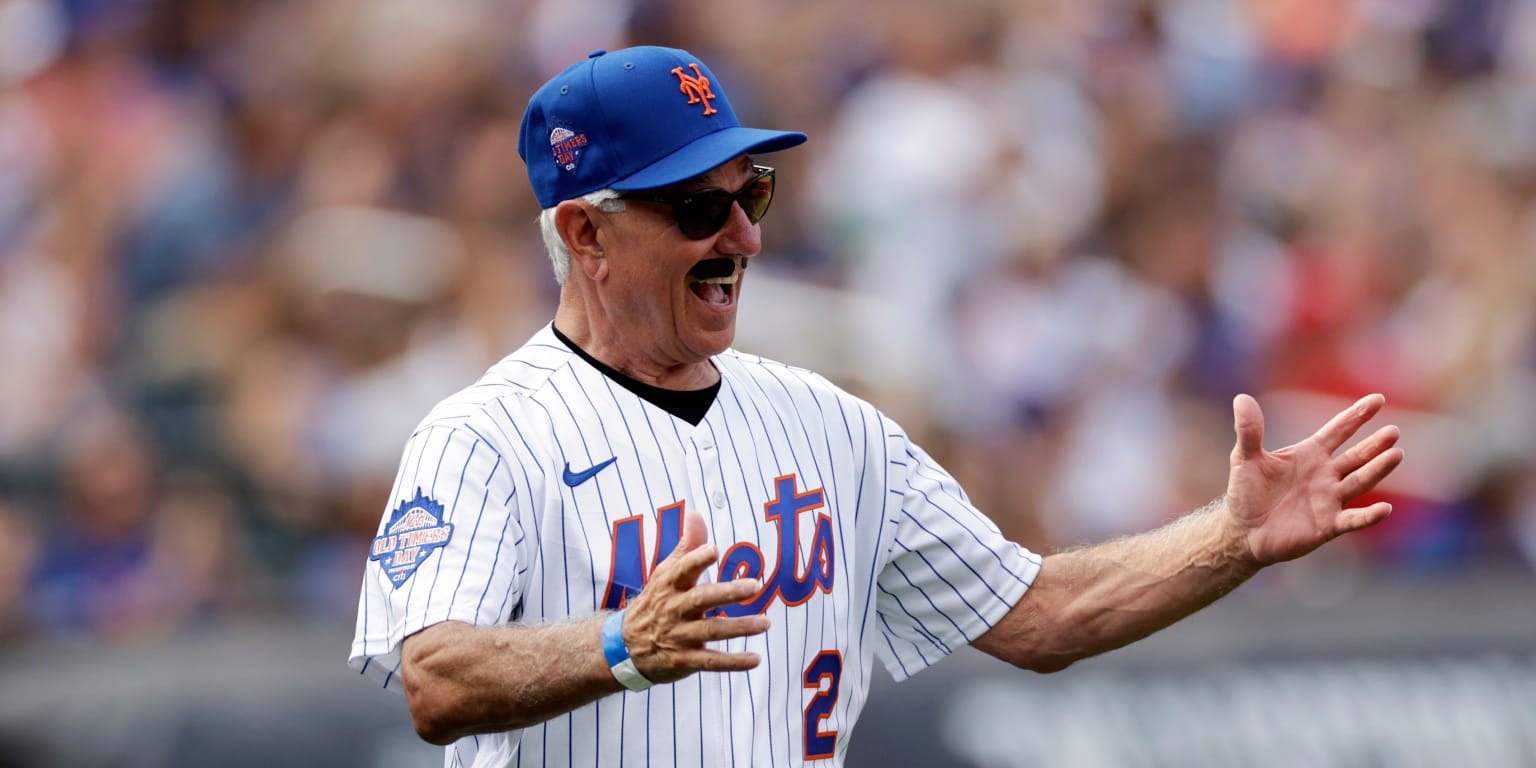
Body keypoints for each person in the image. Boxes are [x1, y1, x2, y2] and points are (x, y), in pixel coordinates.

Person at [348, 45, 1404, 767]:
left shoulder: (832, 426)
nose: (742, 237)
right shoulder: (485, 436)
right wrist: (619, 645)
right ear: (584, 234)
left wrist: (1229, 541)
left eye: (752, 193)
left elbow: (1041, 616)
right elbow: (436, 678)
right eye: (700, 206)